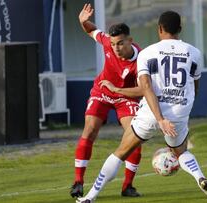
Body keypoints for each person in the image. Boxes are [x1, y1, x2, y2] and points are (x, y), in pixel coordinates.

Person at [76, 11, 207, 203]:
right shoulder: (194, 53)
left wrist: (159, 118)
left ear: (159, 29)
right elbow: (195, 89)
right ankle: (200, 178)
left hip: (152, 112)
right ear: (180, 29)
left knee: (120, 153)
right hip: (179, 111)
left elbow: (145, 88)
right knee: (182, 153)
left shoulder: (147, 53)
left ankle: (90, 197)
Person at [70, 3, 143, 198]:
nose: (116, 48)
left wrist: (119, 90)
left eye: (120, 43)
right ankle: (78, 182)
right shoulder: (106, 42)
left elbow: (143, 89)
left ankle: (127, 186)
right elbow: (92, 31)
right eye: (113, 44)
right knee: (90, 129)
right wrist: (83, 21)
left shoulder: (141, 60)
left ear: (130, 40)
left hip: (125, 96)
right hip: (102, 91)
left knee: (134, 136)